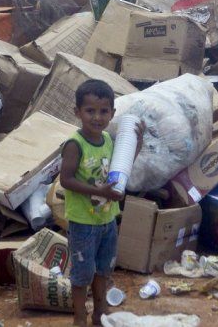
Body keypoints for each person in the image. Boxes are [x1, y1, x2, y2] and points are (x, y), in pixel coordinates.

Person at [60, 79, 143, 326]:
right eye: (90, 111)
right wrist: (100, 192)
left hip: (107, 219)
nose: (97, 117)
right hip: (84, 222)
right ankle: (79, 317)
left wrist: (137, 143)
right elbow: (66, 180)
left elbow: (122, 166)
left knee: (103, 269)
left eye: (104, 111)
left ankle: (100, 311)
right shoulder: (75, 144)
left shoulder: (107, 139)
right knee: (82, 273)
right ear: (77, 112)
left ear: (113, 113)